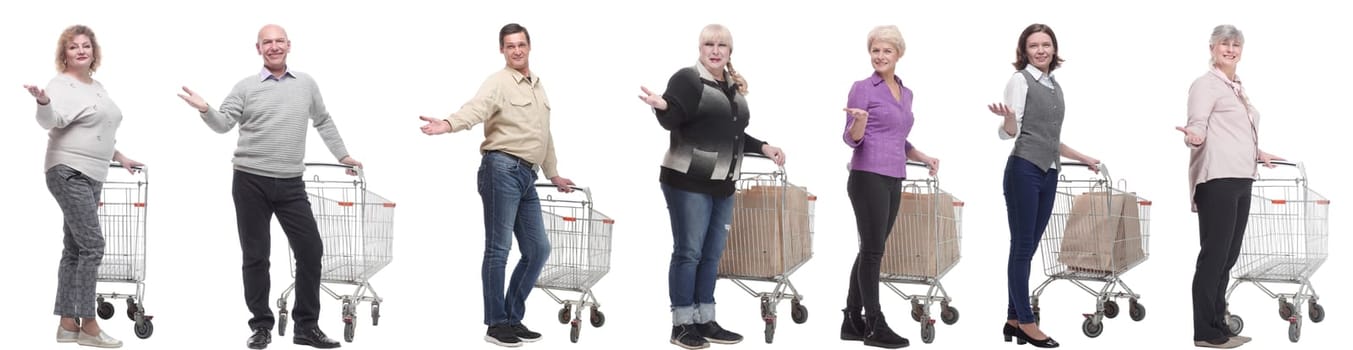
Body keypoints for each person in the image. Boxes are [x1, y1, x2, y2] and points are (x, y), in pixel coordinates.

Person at [176, 24, 357, 349]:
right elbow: (223, 124)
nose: (273, 47)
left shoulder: (306, 84)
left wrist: (342, 155)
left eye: (279, 41)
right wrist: (205, 109)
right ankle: (261, 326)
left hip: (291, 184)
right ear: (258, 49)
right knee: (256, 256)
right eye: (266, 43)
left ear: (289, 45)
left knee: (311, 251)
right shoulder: (245, 87)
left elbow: (323, 120)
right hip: (250, 182)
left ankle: (306, 327)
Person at [417, 22, 575, 348]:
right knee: (498, 249)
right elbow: (475, 109)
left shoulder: (537, 86)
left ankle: (513, 318)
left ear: (530, 46)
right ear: (502, 50)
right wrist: (448, 124)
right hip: (501, 169)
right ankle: (496, 323)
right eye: (509, 46)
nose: (516, 50)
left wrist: (553, 173)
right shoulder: (498, 82)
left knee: (538, 249)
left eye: (521, 44)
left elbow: (544, 135)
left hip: (527, 175)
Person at [637, 24, 786, 350]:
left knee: (712, 254)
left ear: (730, 52)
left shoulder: (731, 86)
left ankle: (705, 319)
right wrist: (661, 107)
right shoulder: (687, 79)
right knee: (689, 252)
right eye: (709, 44)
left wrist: (764, 147)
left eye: (722, 45)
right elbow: (673, 116)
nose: (715, 50)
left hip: (723, 183)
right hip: (688, 181)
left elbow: (732, 135)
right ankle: (681, 325)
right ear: (700, 48)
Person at [27, 24, 142, 349]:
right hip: (68, 170)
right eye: (73, 46)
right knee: (93, 246)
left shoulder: (97, 86)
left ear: (94, 52)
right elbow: (51, 121)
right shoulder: (59, 84)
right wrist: (44, 102)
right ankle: (89, 325)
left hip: (94, 173)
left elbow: (99, 129)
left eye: (86, 46)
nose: (80, 50)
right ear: (64, 53)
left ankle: (67, 324)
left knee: (76, 249)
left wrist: (120, 156)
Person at [985, 23, 1100, 349]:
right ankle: (1026, 322)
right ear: (1024, 51)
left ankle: (1011, 318)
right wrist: (1006, 120)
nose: (1040, 50)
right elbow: (1011, 132)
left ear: (1053, 49)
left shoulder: (1052, 84)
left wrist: (1083, 156)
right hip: (1024, 170)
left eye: (1045, 44)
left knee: (1027, 249)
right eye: (1033, 45)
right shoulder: (1019, 81)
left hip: (1049, 172)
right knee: (1022, 248)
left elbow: (1050, 138)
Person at [1176, 24, 1280, 349]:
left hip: (1242, 177)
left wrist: (1258, 152)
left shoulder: (1235, 87)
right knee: (1214, 256)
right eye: (1225, 44)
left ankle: (1219, 323)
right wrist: (1193, 137)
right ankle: (1204, 332)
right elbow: (1198, 125)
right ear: (1212, 47)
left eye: (1236, 45)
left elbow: (1234, 132)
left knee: (1229, 256)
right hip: (1217, 178)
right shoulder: (1205, 85)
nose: (1230, 49)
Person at [838, 24, 940, 349]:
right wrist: (860, 123)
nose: (879, 56)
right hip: (867, 176)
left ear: (898, 54)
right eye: (875, 50)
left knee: (871, 248)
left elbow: (898, 135)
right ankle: (874, 324)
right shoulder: (862, 88)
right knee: (873, 252)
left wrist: (921, 155)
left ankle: (851, 319)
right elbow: (850, 138)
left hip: (895, 176)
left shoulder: (905, 93)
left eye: (886, 51)